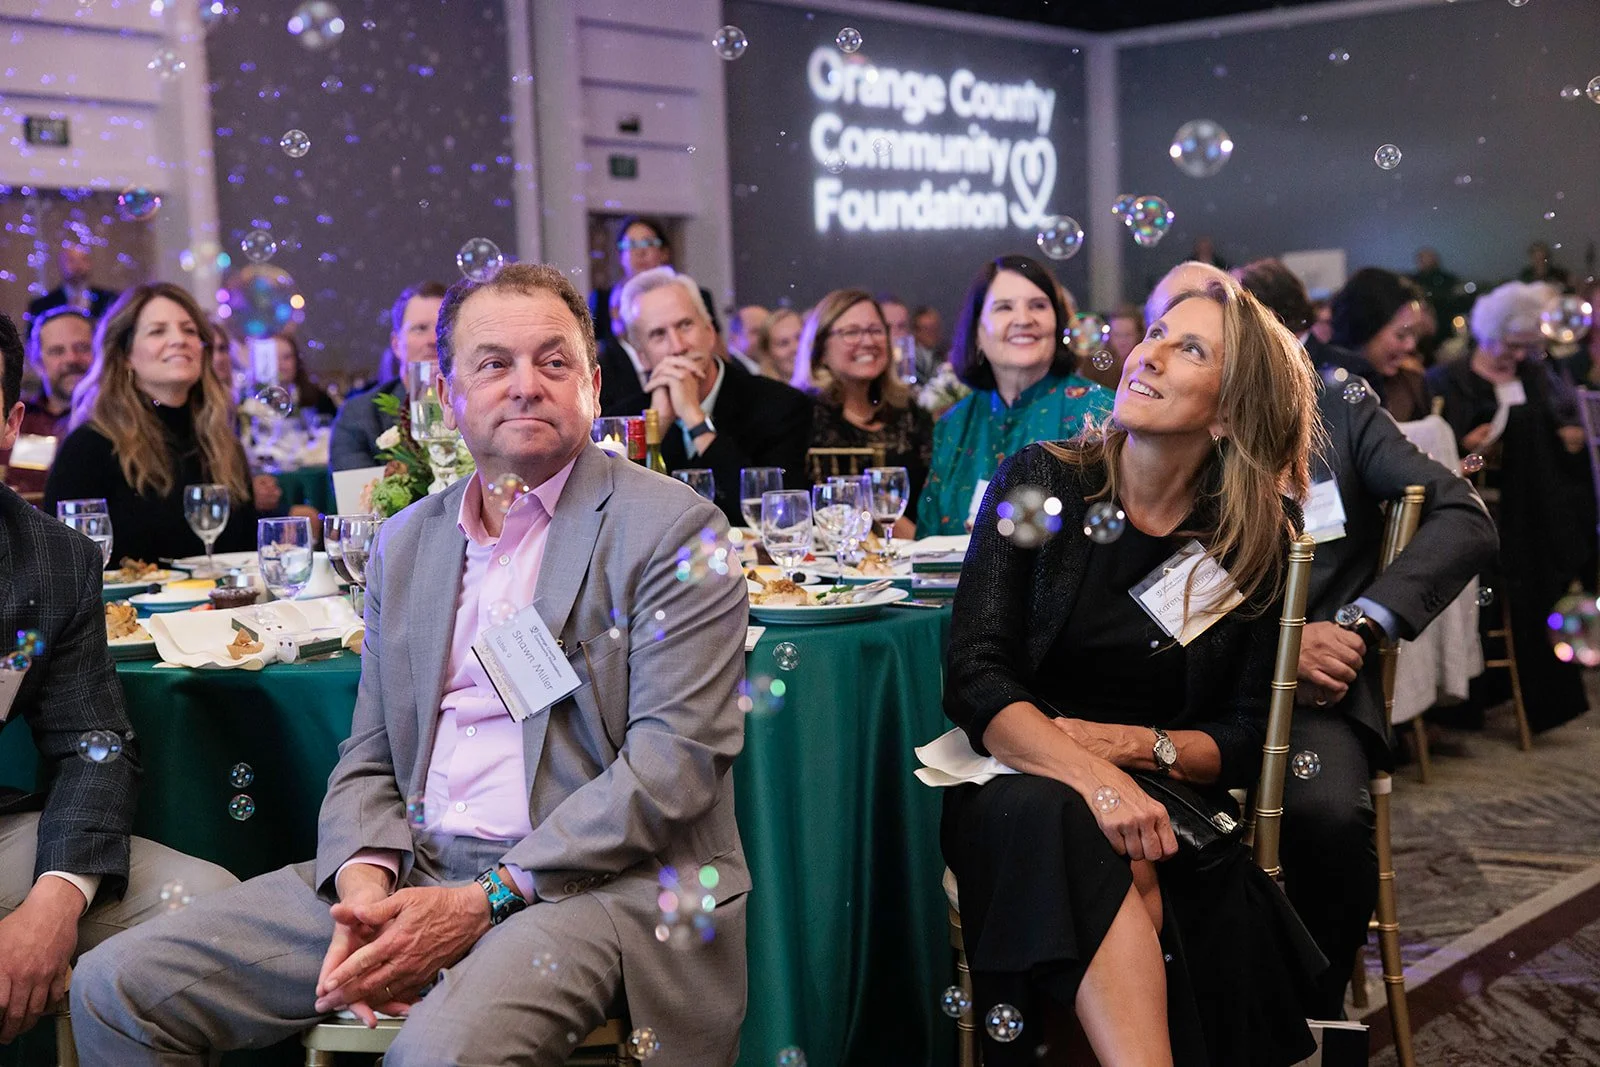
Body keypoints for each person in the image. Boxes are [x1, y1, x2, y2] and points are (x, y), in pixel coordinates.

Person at [71, 262, 751, 1066]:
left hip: (595, 884)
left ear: (595, 386)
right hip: (416, 867)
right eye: (494, 362)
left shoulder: (672, 530)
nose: (526, 385)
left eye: (554, 361)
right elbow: (370, 754)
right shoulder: (409, 541)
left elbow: (670, 772)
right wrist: (364, 886)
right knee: (116, 986)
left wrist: (486, 897)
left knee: (437, 1055)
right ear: (448, 390)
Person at [940, 273, 1325, 1065]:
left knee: (1110, 845)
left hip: (1170, 804)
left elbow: (1246, 737)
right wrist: (1095, 782)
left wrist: (1126, 748)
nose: (1147, 355)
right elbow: (977, 677)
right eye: (1154, 334)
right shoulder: (1042, 479)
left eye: (1189, 349)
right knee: (1069, 824)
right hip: (1014, 785)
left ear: (1228, 410)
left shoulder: (1249, 541)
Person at [1235, 257, 1498, 1017]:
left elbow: (1462, 515)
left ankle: (1306, 1015)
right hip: (1188, 683)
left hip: (1315, 696)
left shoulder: (1338, 408)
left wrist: (1355, 624)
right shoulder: (1159, 427)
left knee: (1324, 817)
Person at [0, 312, 236, 1047]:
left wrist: (54, 901)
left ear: (9, 423)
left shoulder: (54, 559)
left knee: (210, 908)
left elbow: (93, 743)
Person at [1428, 281, 1594, 733]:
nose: (1517, 356)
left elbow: (1565, 421)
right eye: (1513, 344)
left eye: (1527, 347)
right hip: (1479, 514)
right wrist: (1465, 445)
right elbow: (1437, 449)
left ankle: (1542, 699)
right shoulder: (1450, 380)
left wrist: (1568, 438)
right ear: (1490, 332)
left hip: (1534, 512)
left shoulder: (1535, 376)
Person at [42, 283, 258, 567]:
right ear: (127, 355)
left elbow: (248, 548)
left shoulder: (221, 442)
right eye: (158, 331)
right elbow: (61, 564)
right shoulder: (90, 446)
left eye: (189, 330)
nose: (179, 340)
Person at [916, 255, 1113, 536]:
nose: (1023, 319)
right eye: (1004, 307)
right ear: (977, 333)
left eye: (1038, 306)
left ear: (1058, 325)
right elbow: (928, 542)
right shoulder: (953, 425)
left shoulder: (1101, 413)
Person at [614, 267, 811, 526]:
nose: (678, 346)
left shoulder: (780, 405)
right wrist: (656, 427)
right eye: (658, 335)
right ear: (641, 356)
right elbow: (611, 517)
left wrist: (696, 421)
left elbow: (781, 517)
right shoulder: (624, 418)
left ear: (709, 332)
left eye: (685, 325)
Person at [791, 289, 932, 531]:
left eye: (876, 330)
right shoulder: (799, 415)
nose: (868, 342)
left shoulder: (910, 413)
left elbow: (933, 500)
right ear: (821, 349)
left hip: (908, 558)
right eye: (851, 332)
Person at [330, 281, 447, 471]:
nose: (433, 340)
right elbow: (355, 495)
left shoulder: (478, 405)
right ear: (396, 344)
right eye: (420, 328)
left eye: (442, 329)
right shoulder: (360, 415)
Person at [588, 216, 721, 349]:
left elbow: (717, 351)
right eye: (631, 245)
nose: (640, 252)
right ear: (621, 256)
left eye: (649, 243)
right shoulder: (603, 300)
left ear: (664, 253)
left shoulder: (694, 295)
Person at [0, 307, 93, 496]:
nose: (72, 359)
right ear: (37, 361)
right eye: (57, 351)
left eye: (82, 348)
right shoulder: (16, 420)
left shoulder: (123, 424)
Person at [1325, 268, 1432, 422]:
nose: (1411, 345)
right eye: (1400, 335)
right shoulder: (1325, 384)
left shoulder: (1412, 383)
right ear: (1365, 328)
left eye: (1415, 334)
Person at [24, 240, 118, 332]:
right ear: (60, 264)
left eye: (83, 259)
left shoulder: (110, 300)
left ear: (90, 263)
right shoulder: (41, 306)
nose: (78, 266)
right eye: (71, 260)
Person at [271, 332, 339, 417]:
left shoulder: (318, 399)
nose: (280, 364)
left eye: (287, 357)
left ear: (297, 361)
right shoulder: (254, 401)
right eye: (273, 357)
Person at [749, 308, 803, 382]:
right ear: (767, 354)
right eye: (783, 343)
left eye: (800, 338)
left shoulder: (823, 389)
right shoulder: (760, 391)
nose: (796, 348)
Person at [912, 304, 945, 382]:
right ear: (916, 332)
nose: (931, 333)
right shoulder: (910, 358)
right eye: (926, 329)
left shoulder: (944, 356)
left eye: (934, 328)